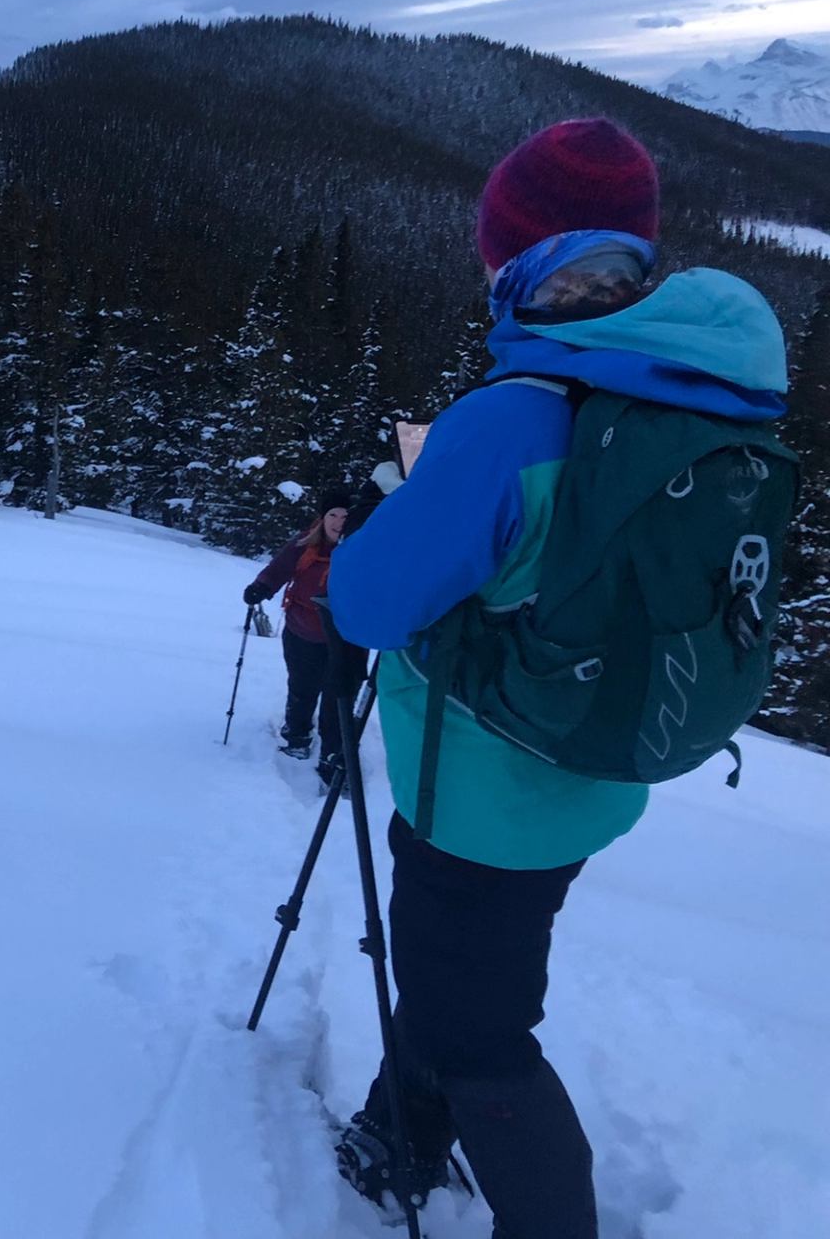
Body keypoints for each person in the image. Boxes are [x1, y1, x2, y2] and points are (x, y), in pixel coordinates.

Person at [328, 119, 789, 1238]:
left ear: (517, 260)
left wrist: (405, 505)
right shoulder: (692, 392)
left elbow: (370, 604)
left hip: (479, 789)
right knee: (472, 979)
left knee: (482, 1029)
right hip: (595, 767)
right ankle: (405, 1130)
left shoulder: (510, 419)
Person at [242, 488, 352, 768]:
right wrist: (261, 587)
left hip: (343, 637)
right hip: (301, 630)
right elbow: (279, 569)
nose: (338, 521)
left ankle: (333, 751)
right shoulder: (305, 544)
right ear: (323, 517)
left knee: (336, 695)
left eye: (345, 516)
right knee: (302, 687)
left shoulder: (360, 548)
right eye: (333, 514)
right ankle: (297, 738)